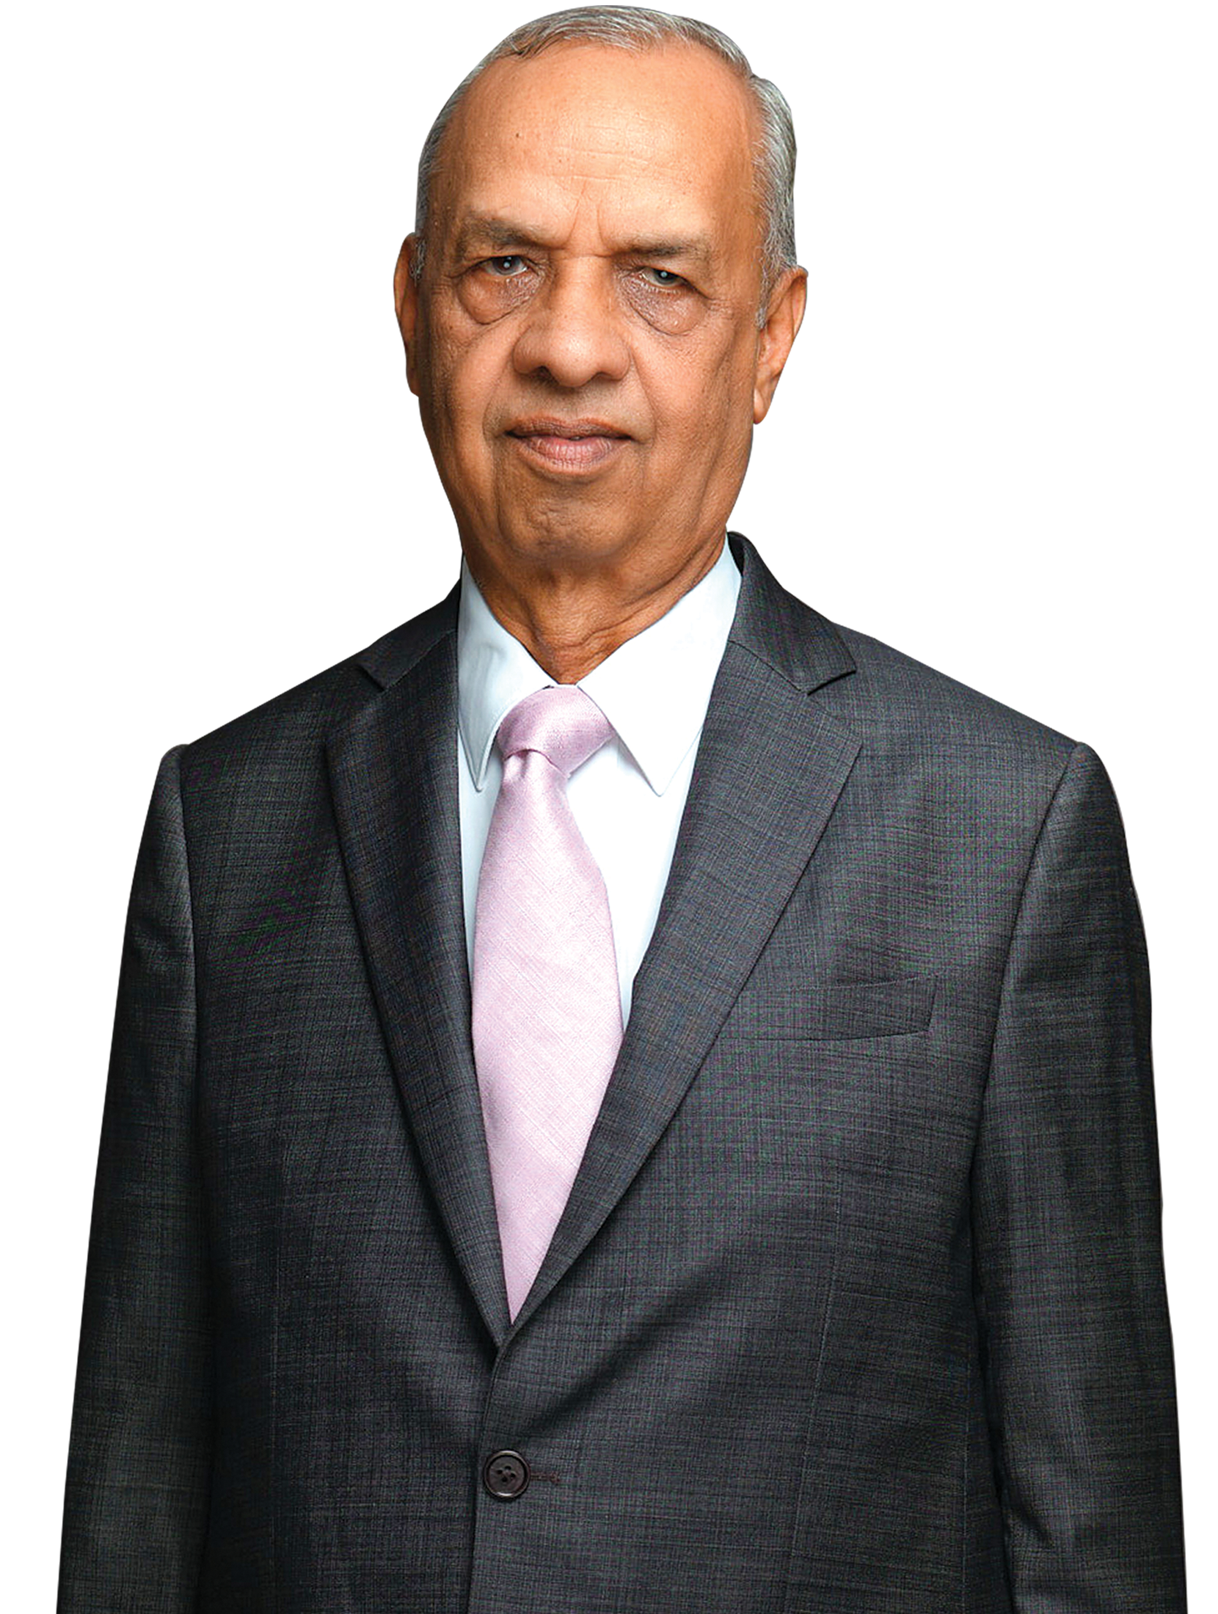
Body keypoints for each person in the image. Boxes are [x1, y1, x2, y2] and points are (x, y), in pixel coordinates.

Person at [61, 10, 1186, 1611]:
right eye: (504, 264)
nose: (570, 345)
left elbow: (1090, 1533)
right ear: (410, 306)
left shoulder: (1000, 837)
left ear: (774, 331)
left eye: (658, 274)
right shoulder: (221, 834)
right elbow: (134, 1500)